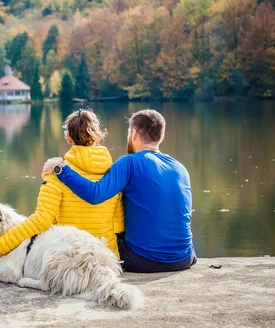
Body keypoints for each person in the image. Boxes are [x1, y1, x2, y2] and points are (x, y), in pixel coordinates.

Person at [42, 109, 196, 273]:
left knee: (107, 241)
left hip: (143, 260)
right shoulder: (180, 168)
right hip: (184, 258)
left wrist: (60, 170)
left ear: (134, 134)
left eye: (129, 132)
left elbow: (95, 195)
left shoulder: (129, 163)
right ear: (162, 137)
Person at [0, 109, 124, 263]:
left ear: (68, 138)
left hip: (70, 258)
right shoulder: (113, 175)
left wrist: (1, 247)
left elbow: (41, 221)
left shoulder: (56, 174)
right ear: (98, 137)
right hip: (107, 260)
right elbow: (118, 225)